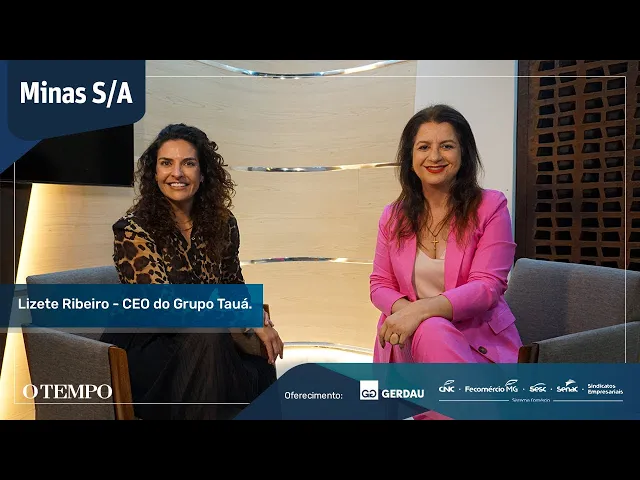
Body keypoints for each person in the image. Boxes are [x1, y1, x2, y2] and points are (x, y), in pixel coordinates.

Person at [100, 123, 284, 420]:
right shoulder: (133, 229)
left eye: (188, 163)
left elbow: (232, 285)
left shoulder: (223, 223)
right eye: (166, 163)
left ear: (203, 172)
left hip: (209, 340)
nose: (177, 173)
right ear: (154, 173)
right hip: (148, 349)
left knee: (248, 343)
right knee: (211, 336)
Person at [369, 104, 523, 417]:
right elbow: (379, 285)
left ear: (464, 152)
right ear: (410, 157)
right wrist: (412, 317)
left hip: (476, 346)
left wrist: (420, 313)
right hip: (408, 342)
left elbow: (487, 286)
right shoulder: (393, 216)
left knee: (433, 329)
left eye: (447, 146)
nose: (435, 156)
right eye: (424, 147)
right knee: (430, 330)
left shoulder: (490, 206)